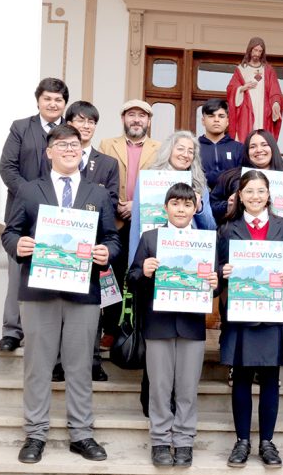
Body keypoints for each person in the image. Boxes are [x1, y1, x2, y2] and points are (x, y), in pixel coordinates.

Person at [1, 124, 120, 464]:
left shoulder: (97, 194)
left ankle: (81, 434)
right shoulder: (29, 190)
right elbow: (11, 233)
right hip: (39, 291)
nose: (71, 148)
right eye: (63, 144)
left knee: (80, 365)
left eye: (76, 144)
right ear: (49, 151)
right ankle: (35, 433)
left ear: (83, 152)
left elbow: (113, 238)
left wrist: (105, 252)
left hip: (83, 294)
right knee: (38, 365)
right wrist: (18, 246)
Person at [127, 183, 219, 468]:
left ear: (195, 208)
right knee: (160, 386)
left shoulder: (205, 241)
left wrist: (216, 285)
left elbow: (213, 288)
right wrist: (143, 271)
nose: (181, 209)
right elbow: (131, 278)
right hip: (159, 324)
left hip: (191, 326)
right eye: (175, 204)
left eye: (187, 204)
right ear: (165, 207)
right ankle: (159, 440)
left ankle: (184, 440)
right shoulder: (150, 238)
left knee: (188, 387)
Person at [217, 170, 283, 468]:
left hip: (274, 310)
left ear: (269, 195)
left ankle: (267, 441)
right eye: (249, 191)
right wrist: (221, 273)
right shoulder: (227, 228)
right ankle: (242, 441)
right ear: (240, 196)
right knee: (240, 377)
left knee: (270, 378)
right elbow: (216, 265)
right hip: (241, 311)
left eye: (260, 191)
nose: (255, 197)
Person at [0, 77, 69, 352]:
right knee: (17, 271)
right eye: (48, 98)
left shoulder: (69, 131)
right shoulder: (20, 128)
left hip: (59, 214)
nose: (53, 103)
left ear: (64, 103)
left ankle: (51, 334)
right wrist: (31, 195)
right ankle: (12, 331)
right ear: (38, 100)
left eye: (58, 99)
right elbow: (8, 168)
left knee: (56, 270)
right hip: (22, 212)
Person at [54, 100, 120, 383]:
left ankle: (93, 360)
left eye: (91, 122)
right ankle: (57, 362)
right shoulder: (57, 158)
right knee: (58, 304)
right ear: (68, 124)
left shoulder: (107, 163)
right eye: (80, 120)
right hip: (61, 242)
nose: (85, 126)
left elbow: (112, 200)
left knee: (94, 305)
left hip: (93, 247)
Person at [98, 99, 161, 362]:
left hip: (144, 222)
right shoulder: (106, 145)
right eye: (131, 115)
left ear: (149, 121)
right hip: (113, 220)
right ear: (123, 118)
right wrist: (118, 206)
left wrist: (136, 207)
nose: (137, 120)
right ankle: (112, 329)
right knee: (110, 275)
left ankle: (140, 329)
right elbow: (101, 182)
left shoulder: (160, 149)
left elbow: (161, 184)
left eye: (142, 116)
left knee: (140, 276)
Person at [128, 130, 216, 259]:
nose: (185, 155)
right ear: (169, 151)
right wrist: (134, 264)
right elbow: (136, 225)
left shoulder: (198, 184)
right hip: (152, 252)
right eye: (180, 149)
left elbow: (210, 228)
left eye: (190, 151)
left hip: (188, 252)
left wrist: (200, 208)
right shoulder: (149, 179)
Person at [210, 129, 283, 233]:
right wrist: (227, 206)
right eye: (253, 146)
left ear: (273, 148)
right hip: (238, 241)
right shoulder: (230, 177)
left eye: (264, 145)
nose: (259, 150)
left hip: (277, 243)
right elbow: (211, 207)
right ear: (246, 151)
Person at [226, 37, 283, 142]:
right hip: (246, 109)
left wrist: (276, 103)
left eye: (260, 51)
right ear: (250, 50)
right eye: (255, 50)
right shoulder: (241, 69)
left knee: (262, 135)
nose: (257, 54)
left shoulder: (268, 70)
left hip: (263, 109)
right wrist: (243, 88)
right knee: (246, 135)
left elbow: (275, 91)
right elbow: (231, 89)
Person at [198, 98, 244, 189]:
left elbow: (242, 176)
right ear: (203, 121)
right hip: (200, 199)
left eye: (221, 116)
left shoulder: (239, 148)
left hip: (231, 199)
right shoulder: (194, 147)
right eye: (211, 116)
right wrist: (226, 175)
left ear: (227, 121)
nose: (216, 120)